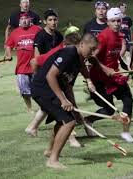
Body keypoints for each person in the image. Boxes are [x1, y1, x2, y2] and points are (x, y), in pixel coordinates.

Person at [30, 33, 98, 169]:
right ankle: (53, 160)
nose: (92, 53)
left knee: (63, 120)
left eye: (94, 49)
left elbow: (74, 76)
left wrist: (87, 82)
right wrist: (63, 99)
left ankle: (50, 151)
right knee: (69, 122)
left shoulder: (79, 59)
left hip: (48, 89)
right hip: (42, 88)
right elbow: (50, 75)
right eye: (91, 49)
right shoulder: (69, 52)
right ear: (82, 44)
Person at [85, 7, 133, 143]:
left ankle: (126, 132)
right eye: (113, 21)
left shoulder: (120, 36)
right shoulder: (103, 37)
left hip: (114, 76)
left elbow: (115, 56)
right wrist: (105, 68)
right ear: (107, 21)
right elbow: (91, 57)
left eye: (119, 21)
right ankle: (88, 120)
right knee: (109, 110)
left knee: (128, 99)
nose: (116, 23)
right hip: (99, 78)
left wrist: (126, 66)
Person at [5, 12, 41, 113]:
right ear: (19, 21)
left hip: (36, 66)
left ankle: (43, 106)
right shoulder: (15, 32)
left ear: (30, 20)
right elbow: (8, 45)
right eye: (22, 19)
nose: (24, 21)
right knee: (25, 91)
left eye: (26, 19)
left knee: (39, 90)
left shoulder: (37, 30)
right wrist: (9, 55)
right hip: (22, 67)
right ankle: (29, 108)